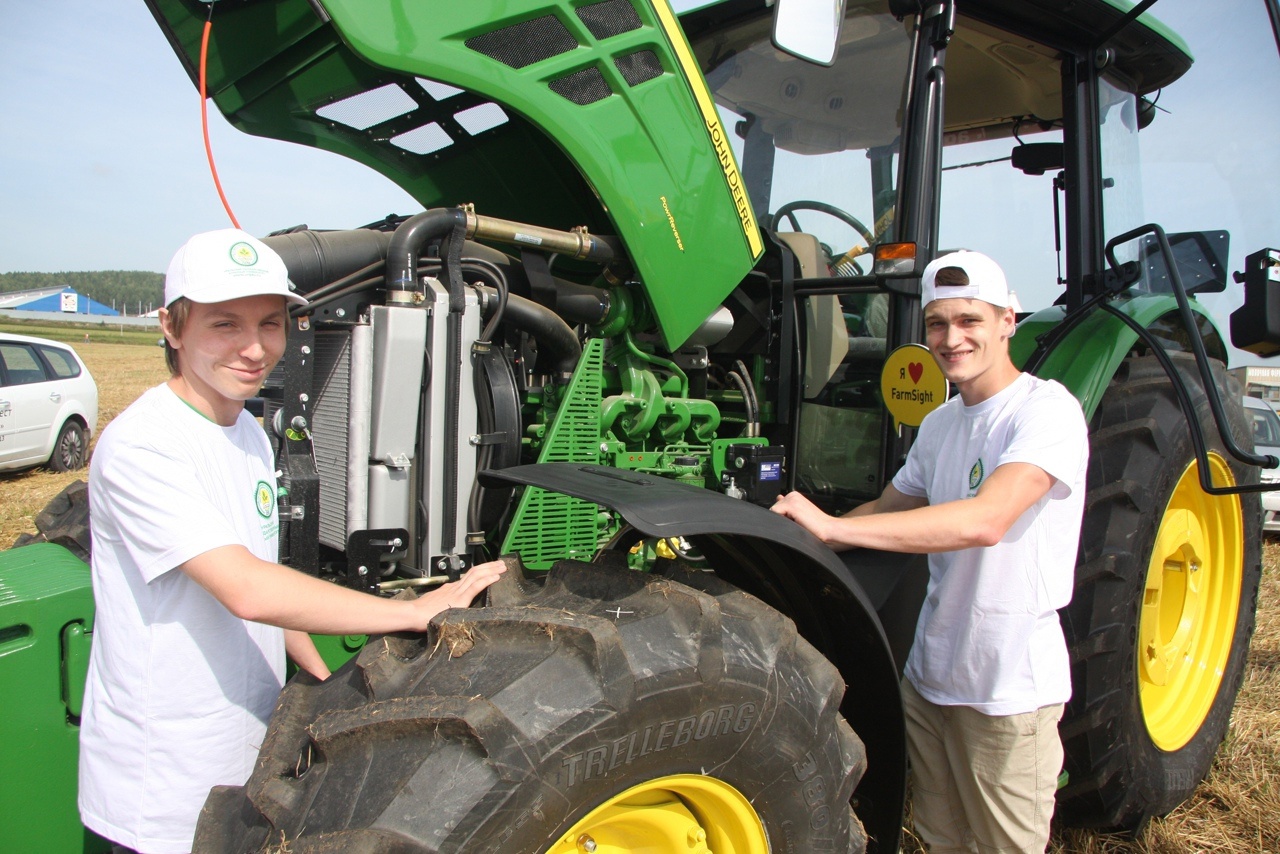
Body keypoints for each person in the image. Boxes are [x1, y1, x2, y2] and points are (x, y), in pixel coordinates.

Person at [78, 228, 506, 854]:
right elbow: (247, 589)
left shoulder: (248, 431)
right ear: (173, 328)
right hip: (166, 785)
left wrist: (318, 686)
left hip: (241, 758)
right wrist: (414, 611)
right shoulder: (144, 444)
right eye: (226, 325)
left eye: (270, 324)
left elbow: (264, 573)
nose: (255, 349)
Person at [772, 250, 1088, 853]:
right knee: (942, 840)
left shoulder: (1046, 412)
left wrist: (838, 532)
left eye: (969, 320)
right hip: (931, 679)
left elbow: (988, 520)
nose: (952, 338)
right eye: (938, 324)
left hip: (1004, 689)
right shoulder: (941, 424)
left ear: (1007, 321)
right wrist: (805, 530)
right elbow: (889, 509)